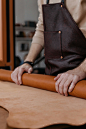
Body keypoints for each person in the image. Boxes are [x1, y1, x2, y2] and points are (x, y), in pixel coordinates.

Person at [11, 0, 86, 97]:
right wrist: (28, 62)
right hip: (53, 80)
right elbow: (42, 28)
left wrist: (81, 70)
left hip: (81, 79)